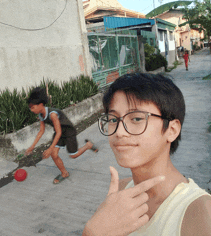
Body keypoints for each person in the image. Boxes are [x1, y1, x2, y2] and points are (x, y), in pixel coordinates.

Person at [82, 73, 211, 236]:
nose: (119, 132)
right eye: (113, 120)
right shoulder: (122, 192)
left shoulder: (199, 213)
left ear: (172, 130)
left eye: (136, 119)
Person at [25, 87, 98, 184]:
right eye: (30, 108)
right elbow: (41, 131)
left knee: (73, 155)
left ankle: (88, 145)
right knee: (54, 154)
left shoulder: (52, 114)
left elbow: (59, 132)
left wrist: (50, 148)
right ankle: (64, 173)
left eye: (33, 107)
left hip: (68, 132)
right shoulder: (41, 115)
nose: (31, 110)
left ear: (40, 105)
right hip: (59, 132)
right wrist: (32, 146)